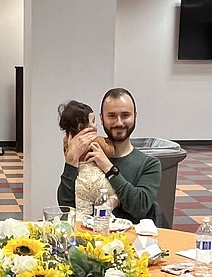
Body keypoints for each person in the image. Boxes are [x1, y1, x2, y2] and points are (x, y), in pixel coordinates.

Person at [57, 88, 161, 222]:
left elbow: (139, 208)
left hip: (129, 240)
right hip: (89, 239)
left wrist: (108, 168)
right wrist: (70, 162)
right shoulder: (85, 156)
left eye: (125, 115)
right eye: (112, 116)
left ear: (135, 116)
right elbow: (66, 207)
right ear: (101, 118)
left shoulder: (149, 164)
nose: (119, 122)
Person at [57, 99, 116, 218]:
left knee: (80, 208)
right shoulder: (96, 140)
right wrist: (109, 142)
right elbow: (111, 151)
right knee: (110, 196)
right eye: (93, 121)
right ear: (81, 126)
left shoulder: (67, 142)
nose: (96, 125)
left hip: (80, 183)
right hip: (94, 181)